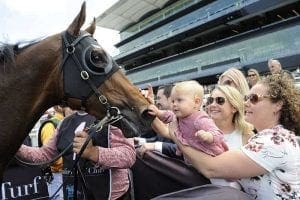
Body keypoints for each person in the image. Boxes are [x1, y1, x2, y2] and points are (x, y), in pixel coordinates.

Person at [165, 74, 300, 200]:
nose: (246, 103)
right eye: (246, 98)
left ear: (278, 105)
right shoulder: (267, 137)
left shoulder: (275, 141)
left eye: (254, 98)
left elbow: (211, 168)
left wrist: (177, 137)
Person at [17, 110, 135, 200]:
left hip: (111, 196)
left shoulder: (112, 116)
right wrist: (15, 146)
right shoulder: (64, 123)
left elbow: (129, 155)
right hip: (73, 194)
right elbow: (45, 155)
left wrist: (94, 152)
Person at [149, 80, 227, 157]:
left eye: (179, 100)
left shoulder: (200, 119)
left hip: (210, 155)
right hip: (191, 159)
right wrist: (157, 112)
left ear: (196, 102)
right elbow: (167, 115)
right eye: (173, 101)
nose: (175, 104)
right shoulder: (179, 117)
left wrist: (208, 136)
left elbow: (218, 134)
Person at [135, 84, 178, 158]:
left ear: (171, 99)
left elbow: (185, 150)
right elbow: (159, 138)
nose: (156, 102)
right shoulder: (166, 118)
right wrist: (139, 141)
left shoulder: (189, 120)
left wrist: (155, 146)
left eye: (158, 98)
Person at [38, 105, 65, 199]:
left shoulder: (68, 123)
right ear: (59, 107)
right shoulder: (50, 125)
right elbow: (51, 158)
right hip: (58, 176)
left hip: (67, 174)